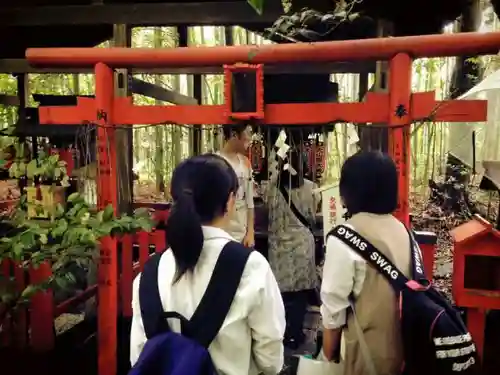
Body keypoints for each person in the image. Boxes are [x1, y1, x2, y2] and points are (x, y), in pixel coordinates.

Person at [130, 154, 286, 375]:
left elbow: (138, 356)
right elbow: (270, 361)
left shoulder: (148, 274)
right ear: (230, 202)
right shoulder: (251, 268)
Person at [320, 151, 411, 375]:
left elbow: (333, 311)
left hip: (365, 357)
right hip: (405, 354)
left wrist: (328, 356)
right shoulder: (403, 231)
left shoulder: (345, 236)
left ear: (349, 190)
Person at [265, 149, 318, 350]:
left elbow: (266, 208)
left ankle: (280, 333)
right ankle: (295, 335)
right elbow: (312, 217)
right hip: (302, 248)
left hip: (279, 248)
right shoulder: (311, 188)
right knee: (299, 297)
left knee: (281, 295)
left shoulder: (272, 188)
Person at [218, 124, 255, 246]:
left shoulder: (245, 163)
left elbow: (249, 201)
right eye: (247, 133)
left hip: (241, 232)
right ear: (234, 135)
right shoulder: (215, 161)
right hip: (221, 231)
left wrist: (250, 232)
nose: (250, 138)